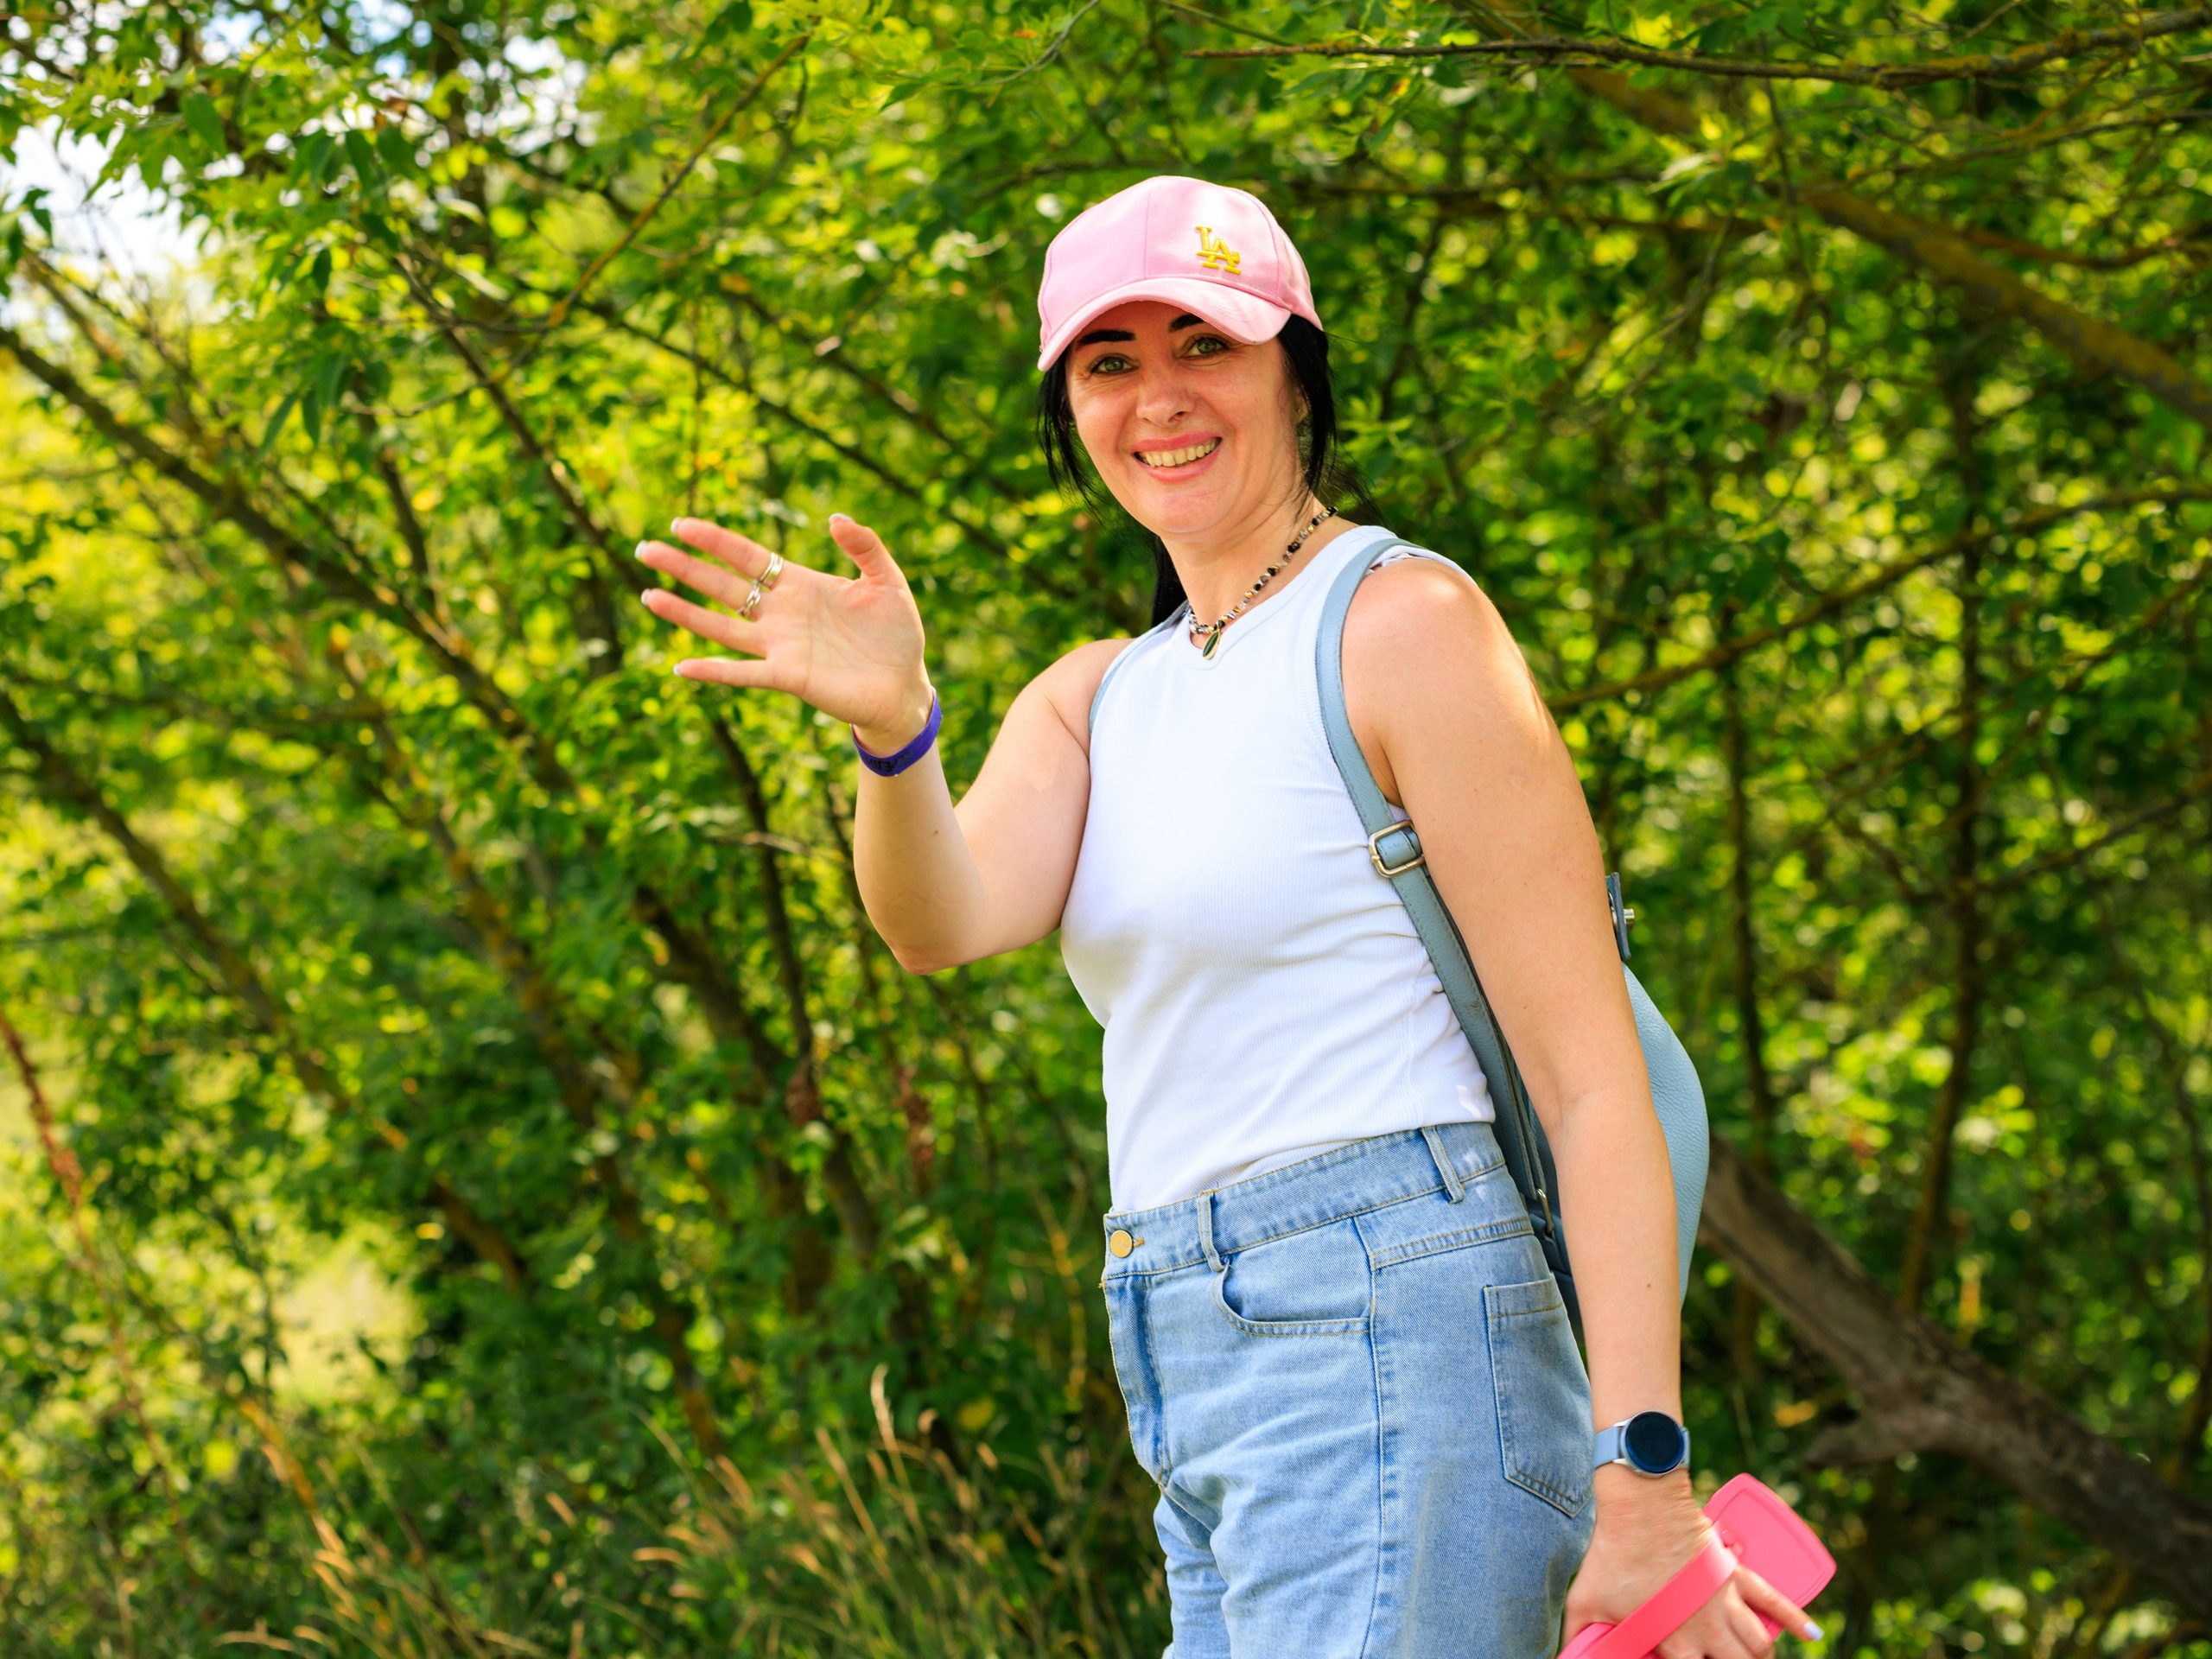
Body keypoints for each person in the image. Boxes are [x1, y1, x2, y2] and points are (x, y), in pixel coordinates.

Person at [636, 175, 1821, 1659]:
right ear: (1073, 407)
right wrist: (896, 732)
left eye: (1205, 344)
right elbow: (938, 919)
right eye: (1110, 363)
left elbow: (1590, 1084)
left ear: (1296, 371)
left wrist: (1644, 1482)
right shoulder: (1097, 698)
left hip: (1402, 1316)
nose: (1160, 399)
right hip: (1185, 1348)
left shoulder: (1401, 624)